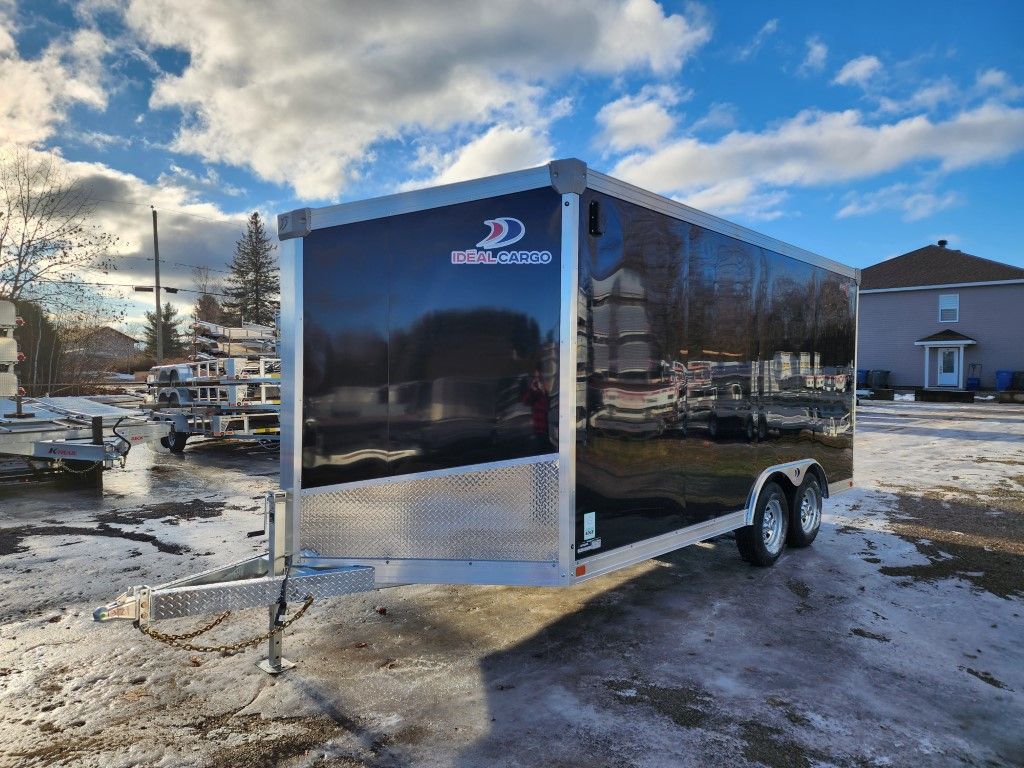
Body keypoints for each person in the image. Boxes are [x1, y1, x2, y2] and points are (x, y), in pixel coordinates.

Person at [522, 368, 550, 450]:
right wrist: (533, 390)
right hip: (539, 427)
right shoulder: (533, 390)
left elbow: (550, 405)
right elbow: (526, 402)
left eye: (539, 377)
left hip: (550, 426)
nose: (537, 380)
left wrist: (544, 391)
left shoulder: (548, 388)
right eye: (535, 377)